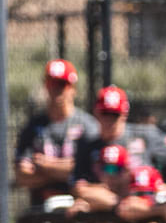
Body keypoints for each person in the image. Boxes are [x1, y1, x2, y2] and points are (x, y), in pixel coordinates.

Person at [72, 85, 166, 212]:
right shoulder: (87, 144)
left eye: (114, 114)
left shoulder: (145, 134)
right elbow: (79, 187)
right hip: (108, 208)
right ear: (96, 113)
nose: (109, 119)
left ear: (124, 114)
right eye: (105, 113)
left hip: (148, 204)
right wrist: (120, 201)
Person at [13, 59, 100, 207]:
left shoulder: (88, 125)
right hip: (41, 209)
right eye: (52, 84)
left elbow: (92, 171)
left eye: (62, 84)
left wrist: (46, 166)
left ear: (73, 88)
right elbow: (23, 176)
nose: (56, 90)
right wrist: (67, 173)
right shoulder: (33, 126)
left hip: (80, 210)